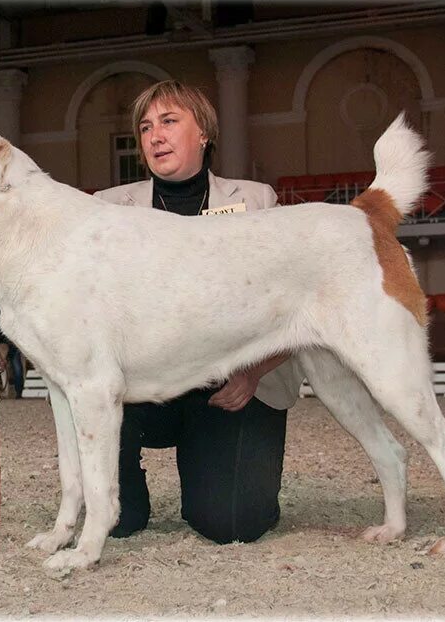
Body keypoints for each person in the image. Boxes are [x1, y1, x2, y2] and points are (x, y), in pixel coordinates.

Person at [93, 80, 302, 544]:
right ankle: (122, 497)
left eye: (169, 122)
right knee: (119, 524)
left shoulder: (255, 201)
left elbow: (291, 306)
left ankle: (211, 466)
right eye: (145, 127)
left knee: (232, 525)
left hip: (232, 386)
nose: (154, 136)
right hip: (144, 387)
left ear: (204, 132)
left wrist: (252, 372)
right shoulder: (107, 209)